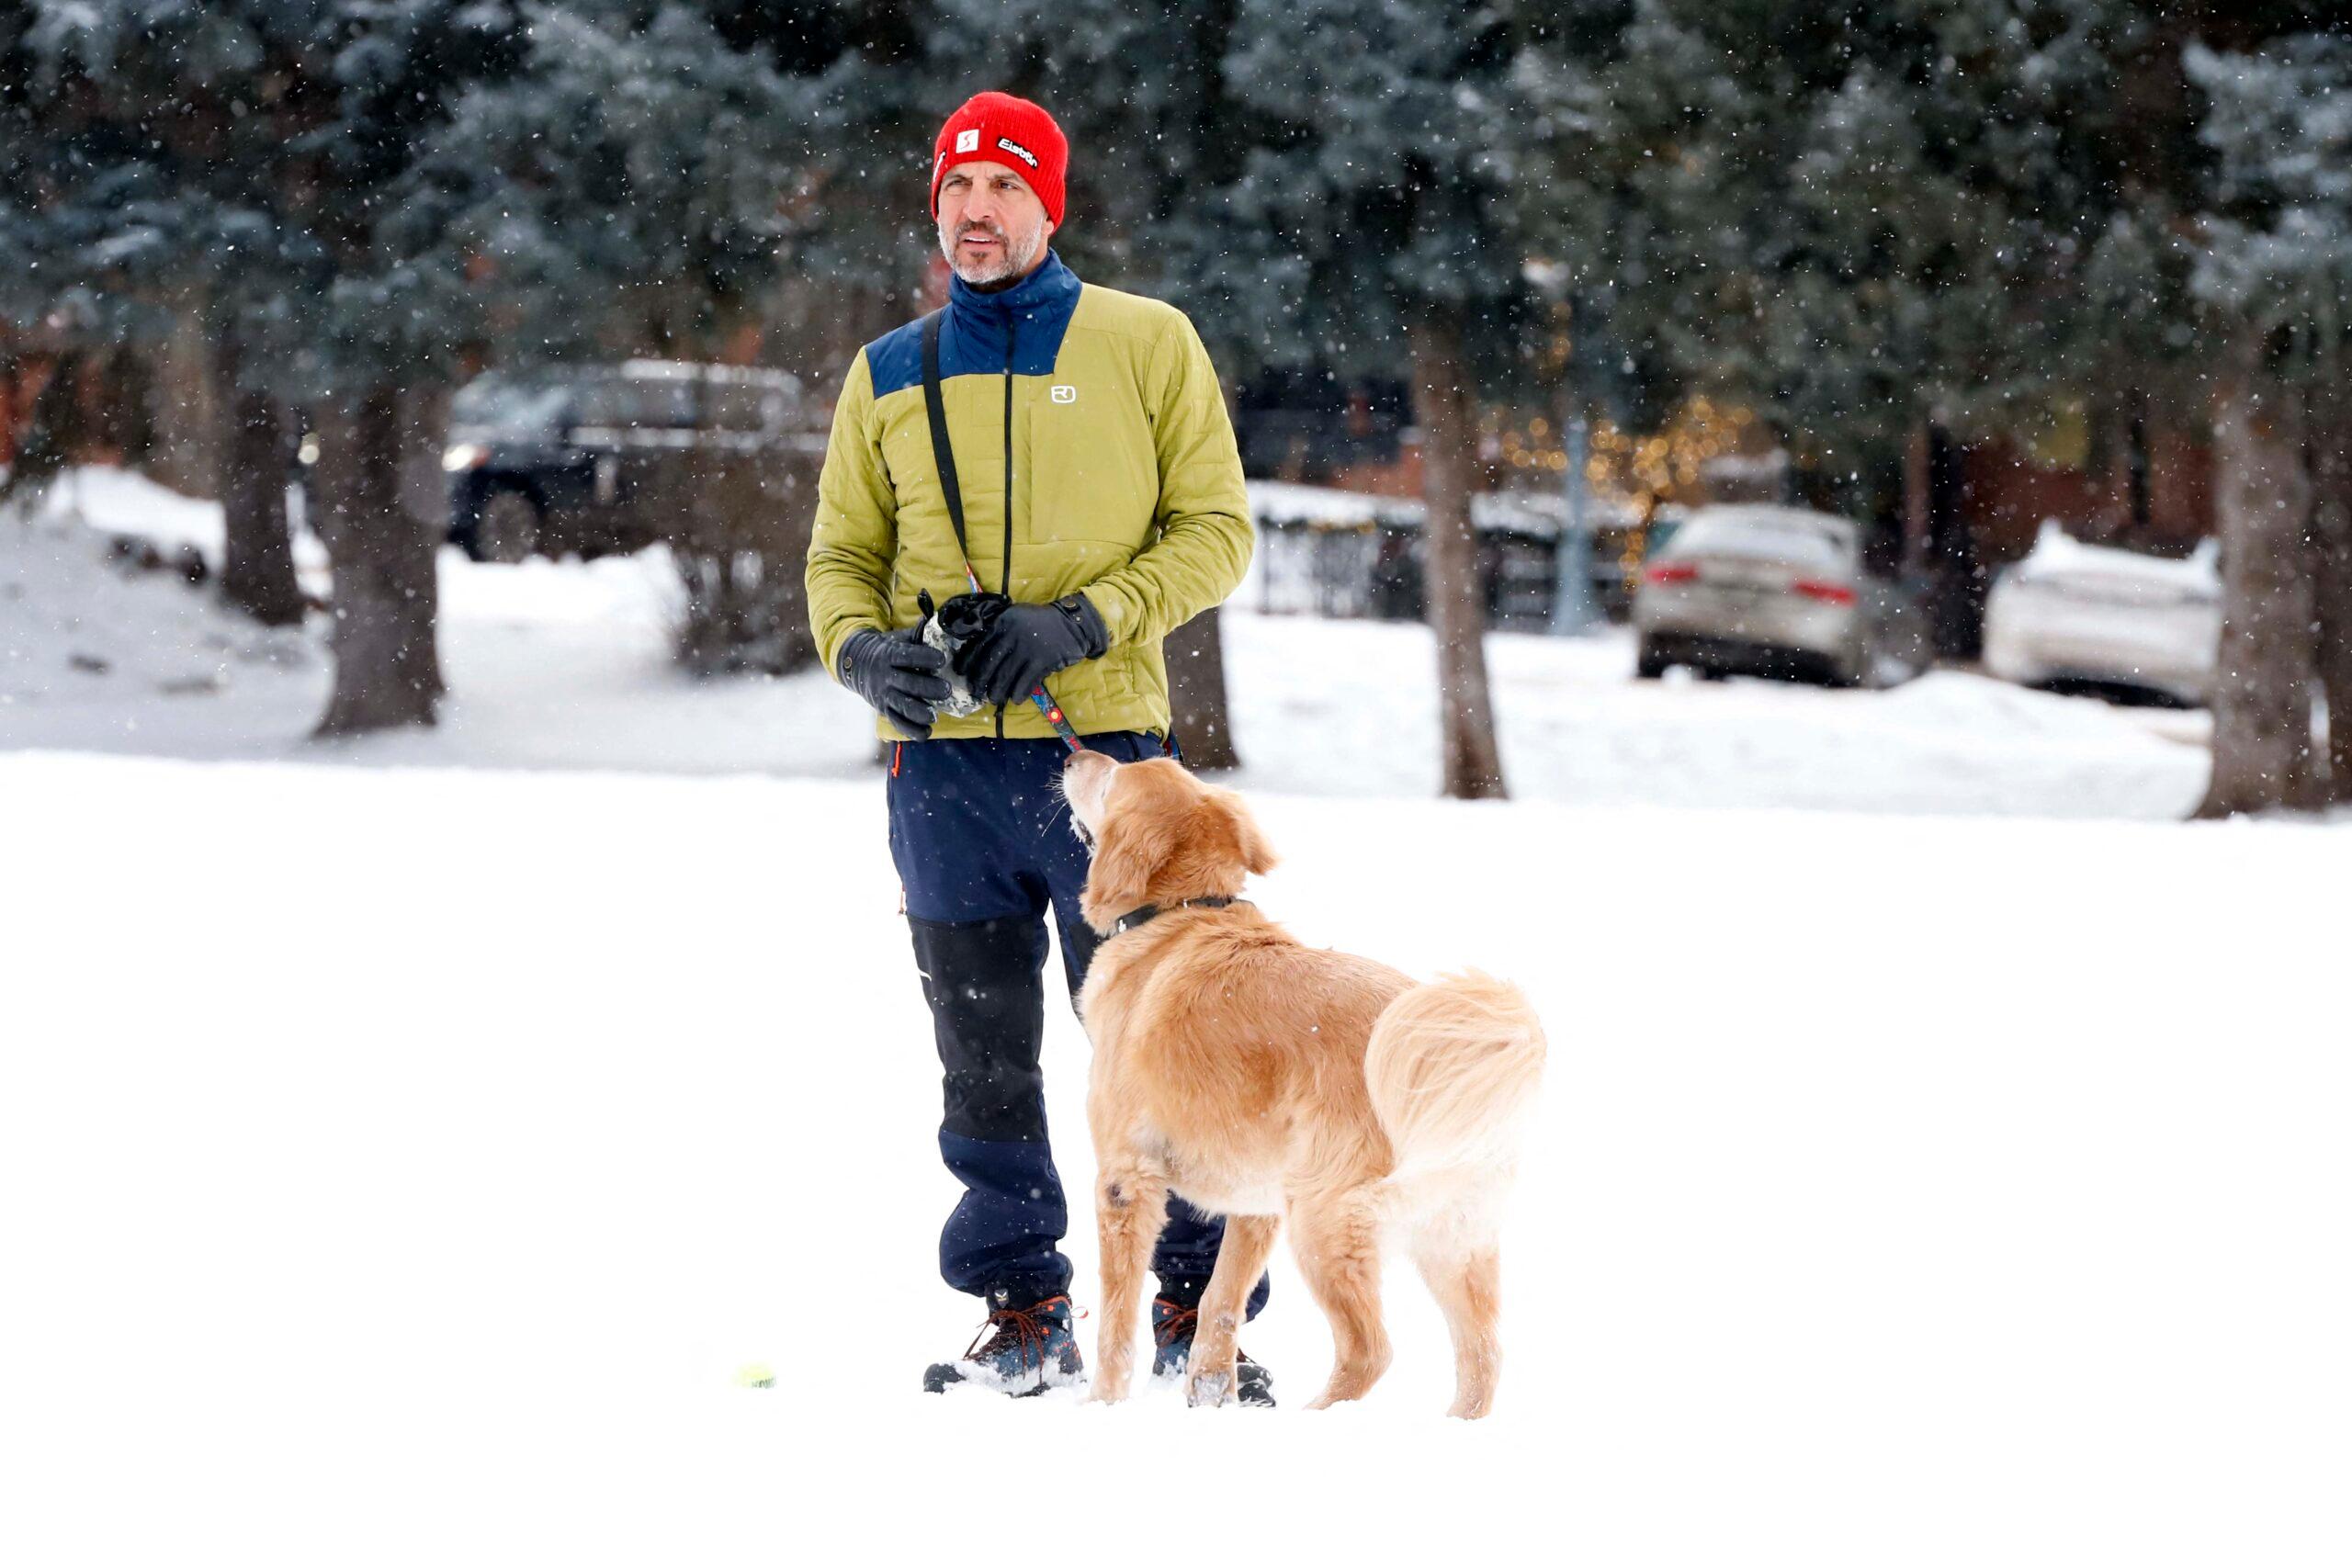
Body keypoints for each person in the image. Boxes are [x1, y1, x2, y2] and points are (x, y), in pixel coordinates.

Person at [804, 92, 1270, 1402]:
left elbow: (1217, 530)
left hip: (1108, 754)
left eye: (1003, 188)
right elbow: (840, 556)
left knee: (1177, 1039)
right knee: (982, 1048)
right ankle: (1024, 1304)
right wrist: (863, 653)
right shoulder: (891, 369)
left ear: (1047, 205)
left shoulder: (1143, 343)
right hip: (941, 766)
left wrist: (1086, 619)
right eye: (957, 189)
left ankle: (1200, 1307)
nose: (976, 211)